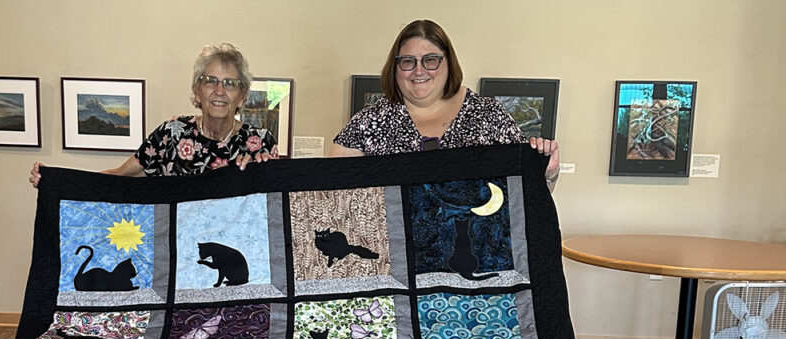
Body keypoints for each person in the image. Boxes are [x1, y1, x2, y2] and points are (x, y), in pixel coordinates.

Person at [330, 20, 560, 190]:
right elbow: (332, 195)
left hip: (473, 240)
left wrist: (548, 173)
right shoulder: (368, 122)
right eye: (408, 61)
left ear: (449, 63)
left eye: (430, 60)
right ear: (395, 67)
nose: (419, 71)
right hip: (393, 242)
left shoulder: (489, 115)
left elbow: (527, 200)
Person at [30, 43, 277, 186]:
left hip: (232, 252)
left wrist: (265, 173)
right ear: (196, 90)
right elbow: (121, 175)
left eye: (230, 83)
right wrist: (58, 181)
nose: (219, 91)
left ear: (242, 96)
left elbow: (277, 206)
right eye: (210, 81)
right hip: (174, 250)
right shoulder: (171, 134)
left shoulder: (260, 142)